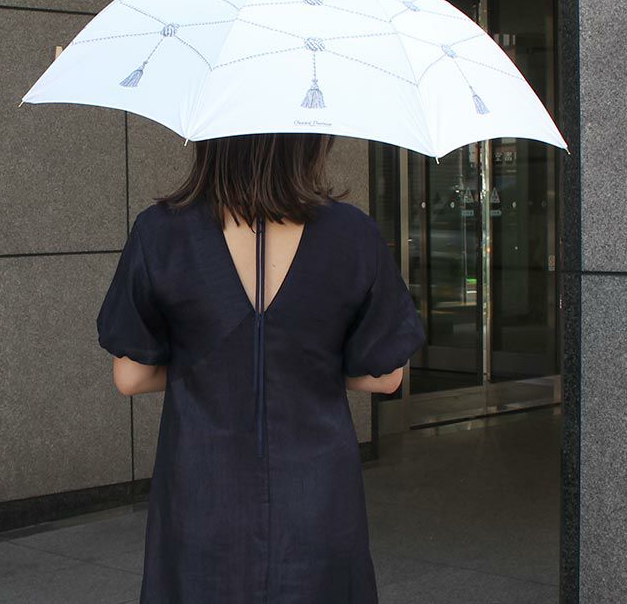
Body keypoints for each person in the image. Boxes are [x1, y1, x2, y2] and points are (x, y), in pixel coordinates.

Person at [96, 132, 426, 603]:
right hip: (317, 499)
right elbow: (386, 376)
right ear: (310, 139)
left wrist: (210, 361)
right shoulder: (354, 234)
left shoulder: (161, 232)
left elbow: (130, 377)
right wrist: (304, 358)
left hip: (201, 496)